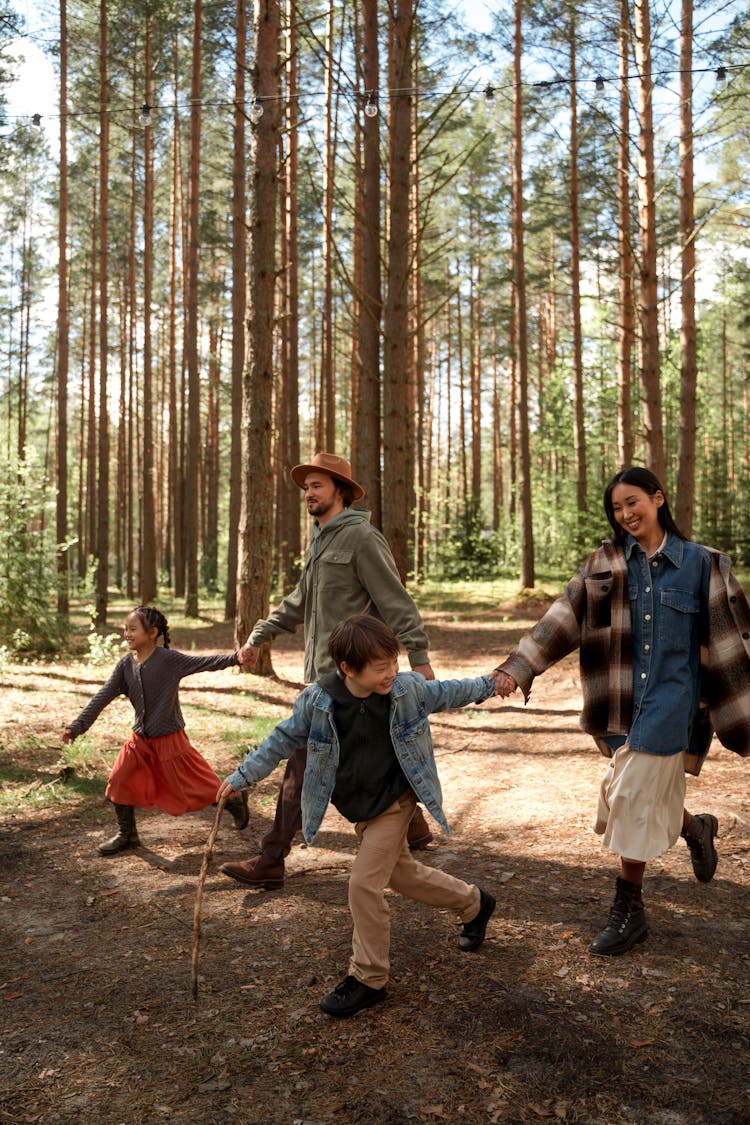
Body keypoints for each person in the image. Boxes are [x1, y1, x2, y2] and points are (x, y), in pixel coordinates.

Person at [494, 466, 750, 956]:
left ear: (657, 499)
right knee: (626, 792)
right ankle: (696, 827)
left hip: (674, 704)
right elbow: (561, 618)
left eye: (633, 501)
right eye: (616, 507)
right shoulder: (604, 564)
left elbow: (733, 637)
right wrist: (520, 667)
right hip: (620, 704)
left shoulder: (703, 564)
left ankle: (629, 910)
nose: (626, 513)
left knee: (630, 798)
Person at [218, 614, 498, 1017]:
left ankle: (368, 978)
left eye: (394, 663)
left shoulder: (405, 691)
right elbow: (280, 739)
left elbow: (450, 691)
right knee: (402, 875)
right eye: (381, 668)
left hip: (394, 804)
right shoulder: (319, 702)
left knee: (363, 884)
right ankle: (474, 904)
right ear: (348, 668)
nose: (392, 673)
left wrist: (491, 683)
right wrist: (243, 775)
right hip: (360, 810)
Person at [220, 451, 436, 891]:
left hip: (350, 675)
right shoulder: (320, 540)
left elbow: (394, 599)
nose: (309, 494)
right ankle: (413, 828)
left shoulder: (361, 538)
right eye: (305, 488)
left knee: (303, 762)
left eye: (317, 486)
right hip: (325, 672)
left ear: (340, 491)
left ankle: (271, 858)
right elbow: (300, 600)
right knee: (367, 751)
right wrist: (260, 635)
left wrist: (419, 655)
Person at [63, 605, 253, 855]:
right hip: (139, 741)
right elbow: (102, 697)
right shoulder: (125, 666)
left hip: (170, 742)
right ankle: (127, 834)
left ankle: (234, 800)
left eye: (132, 629)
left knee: (198, 789)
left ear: (152, 632)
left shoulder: (168, 660)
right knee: (119, 781)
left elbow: (203, 662)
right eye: (125, 629)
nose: (127, 634)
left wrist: (235, 657)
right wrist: (76, 727)